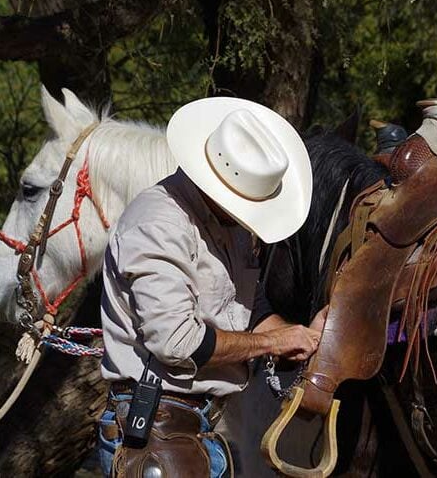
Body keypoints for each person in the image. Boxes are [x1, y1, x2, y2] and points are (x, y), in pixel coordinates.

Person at [97, 97, 327, 477]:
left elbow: (247, 310)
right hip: (157, 431)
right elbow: (176, 342)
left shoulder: (227, 228)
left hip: (191, 429)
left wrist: (303, 336)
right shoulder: (160, 224)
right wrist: (273, 343)